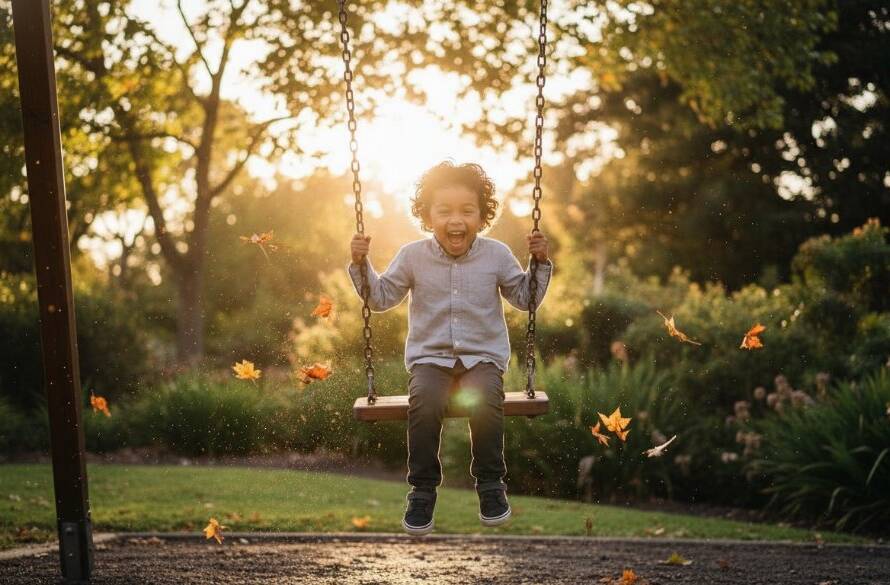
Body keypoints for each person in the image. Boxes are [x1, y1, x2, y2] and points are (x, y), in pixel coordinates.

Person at [347, 160, 552, 535]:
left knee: (486, 397)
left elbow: (526, 299)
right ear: (427, 216)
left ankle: (491, 485)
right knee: (423, 403)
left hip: (482, 358)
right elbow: (379, 297)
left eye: (467, 211)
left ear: (481, 216)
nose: (456, 220)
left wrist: (538, 262)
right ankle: (422, 491)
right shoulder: (412, 256)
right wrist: (361, 264)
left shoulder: (497, 255)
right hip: (431, 359)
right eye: (444, 211)